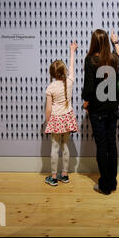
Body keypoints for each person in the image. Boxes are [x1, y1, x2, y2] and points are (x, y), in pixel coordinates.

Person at [82, 29, 119, 195]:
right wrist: (116, 42)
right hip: (112, 108)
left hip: (97, 110)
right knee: (111, 145)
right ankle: (112, 182)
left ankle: (104, 185)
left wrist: (86, 101)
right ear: (106, 41)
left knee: (102, 146)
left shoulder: (90, 60)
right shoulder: (113, 58)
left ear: (93, 42)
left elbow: (89, 87)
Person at [44, 41, 79, 186]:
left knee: (55, 148)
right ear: (64, 72)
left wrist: (48, 123)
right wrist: (72, 51)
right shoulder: (69, 82)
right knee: (65, 147)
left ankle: (53, 177)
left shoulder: (51, 87)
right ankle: (64, 175)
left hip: (56, 119)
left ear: (52, 74)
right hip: (67, 118)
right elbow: (72, 67)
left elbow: (48, 109)